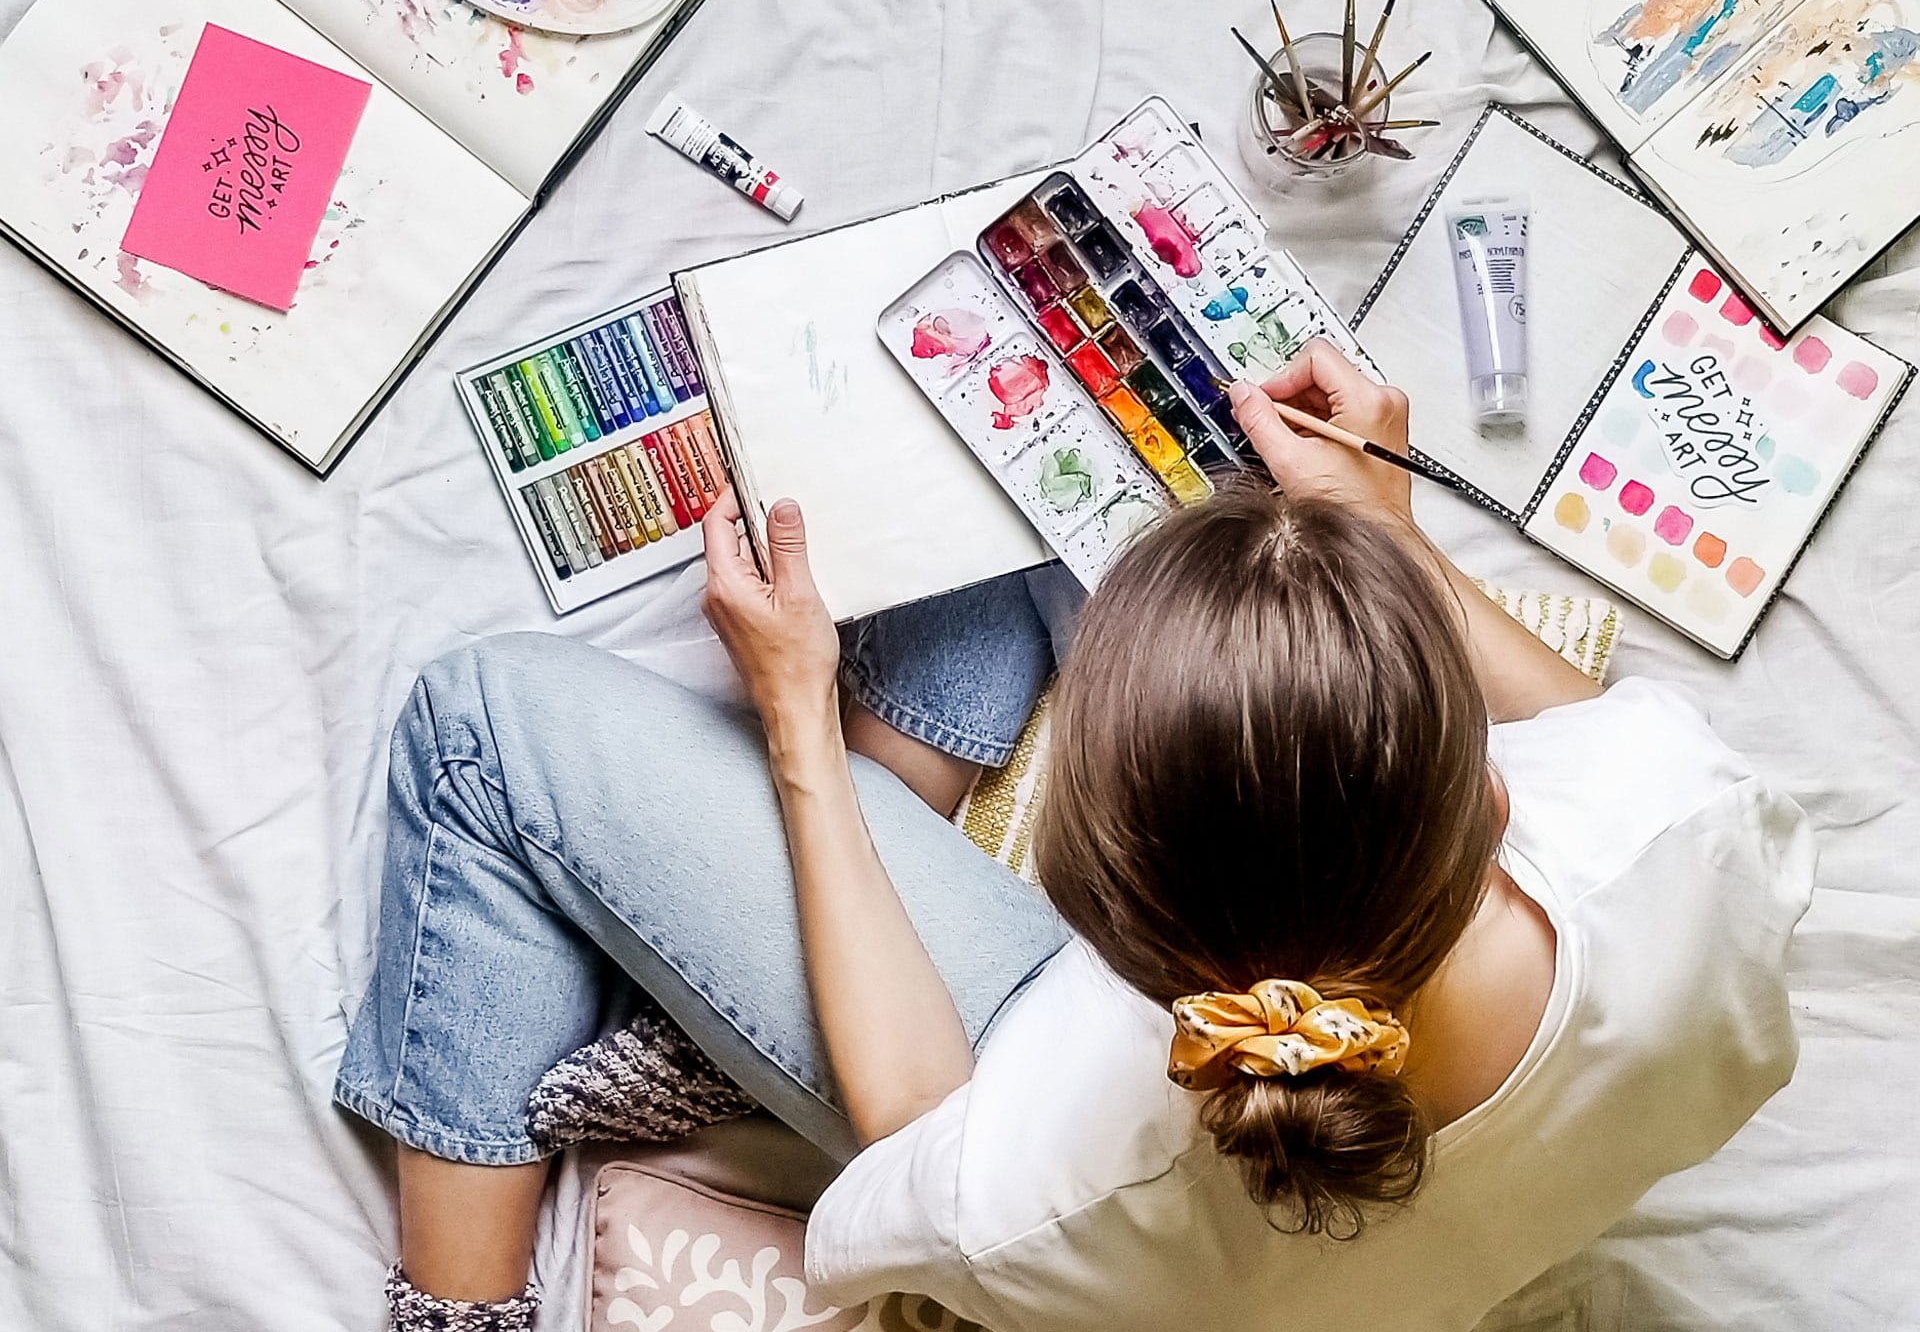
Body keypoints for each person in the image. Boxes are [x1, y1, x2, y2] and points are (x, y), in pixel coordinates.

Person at [334, 342, 1815, 1332]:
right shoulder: (1692, 830)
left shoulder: (1053, 1185)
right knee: (1122, 469)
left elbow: (919, 1121)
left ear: (1102, 925)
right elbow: (1600, 732)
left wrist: (796, 726)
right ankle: (853, 842)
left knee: (481, 719)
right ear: (1492, 796)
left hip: (989, 1088)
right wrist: (1386, 530)